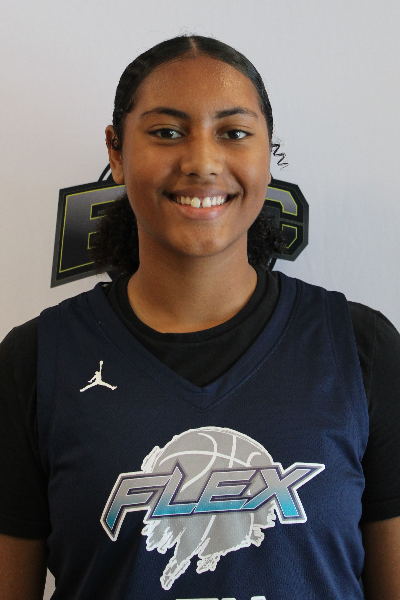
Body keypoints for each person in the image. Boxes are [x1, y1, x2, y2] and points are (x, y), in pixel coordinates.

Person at [1, 35, 400, 600]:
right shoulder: (37, 361)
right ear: (116, 152)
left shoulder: (361, 350)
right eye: (167, 132)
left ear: (267, 152)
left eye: (233, 133)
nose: (202, 162)